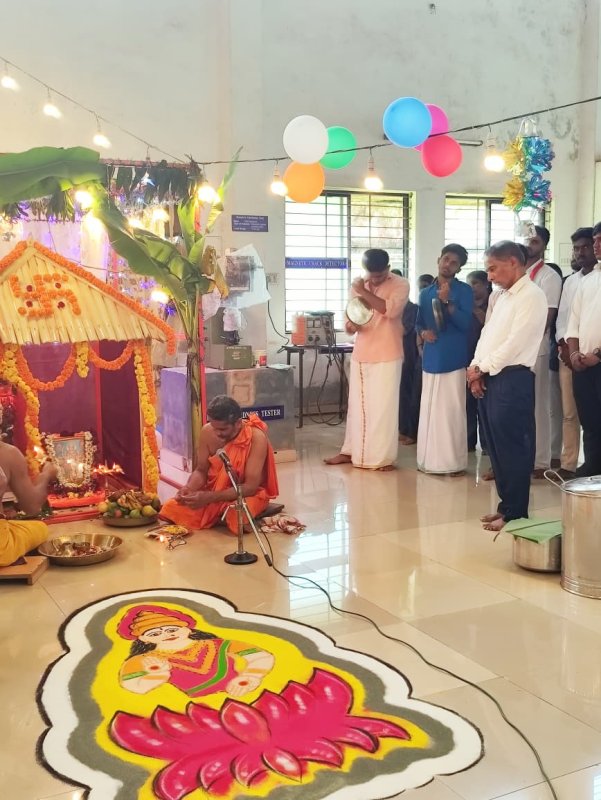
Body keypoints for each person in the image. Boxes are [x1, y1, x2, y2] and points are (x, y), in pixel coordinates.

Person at [467, 241, 547, 532]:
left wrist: (481, 368)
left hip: (513, 378)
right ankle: (506, 506)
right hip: (490, 374)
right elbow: (487, 336)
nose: (489, 276)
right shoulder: (500, 297)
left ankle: (516, 513)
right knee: (496, 449)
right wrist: (476, 367)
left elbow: (516, 343)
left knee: (513, 449)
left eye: (493, 268)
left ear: (513, 262)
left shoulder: (532, 296)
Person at [325, 248, 409, 470]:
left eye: (380, 275)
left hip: (387, 354)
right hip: (362, 352)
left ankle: (381, 458)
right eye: (372, 275)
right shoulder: (359, 285)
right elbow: (351, 321)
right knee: (357, 407)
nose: (376, 279)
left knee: (382, 409)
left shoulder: (400, 284)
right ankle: (350, 451)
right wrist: (351, 325)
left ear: (388, 270)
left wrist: (363, 291)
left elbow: (388, 310)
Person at [161, 396, 279, 532]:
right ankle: (218, 516)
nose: (217, 433)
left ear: (238, 423)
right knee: (170, 507)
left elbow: (250, 487)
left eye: (223, 430)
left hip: (246, 495)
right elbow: (201, 470)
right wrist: (189, 488)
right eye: (214, 427)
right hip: (214, 493)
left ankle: (219, 515)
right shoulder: (207, 431)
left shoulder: (256, 438)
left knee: (236, 514)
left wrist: (209, 498)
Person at [117, 604, 274, 698]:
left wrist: (251, 676)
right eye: (155, 634)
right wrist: (158, 675)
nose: (167, 635)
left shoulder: (217, 645)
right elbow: (134, 686)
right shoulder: (141, 660)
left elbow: (261, 656)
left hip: (243, 695)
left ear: (188, 629)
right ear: (144, 639)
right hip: (193, 709)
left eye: (172, 629)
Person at [416, 244, 473, 476]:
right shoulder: (425, 292)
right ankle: (428, 460)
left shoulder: (464, 291)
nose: (447, 265)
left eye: (454, 263)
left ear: (459, 269)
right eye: (446, 259)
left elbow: (466, 324)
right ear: (438, 259)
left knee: (450, 410)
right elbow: (419, 321)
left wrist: (449, 302)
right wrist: (422, 333)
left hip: (453, 356)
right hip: (431, 356)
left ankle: (452, 463)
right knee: (430, 409)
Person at [555, 231, 596, 477]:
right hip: (569, 354)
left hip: (594, 354)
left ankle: (592, 464)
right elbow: (564, 319)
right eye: (576, 248)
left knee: (593, 416)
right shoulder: (571, 281)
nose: (580, 252)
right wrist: (567, 350)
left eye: (586, 247)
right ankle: (569, 464)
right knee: (570, 413)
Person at [525, 226, 562, 478]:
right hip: (513, 351)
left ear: (544, 245)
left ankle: (541, 461)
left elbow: (547, 317)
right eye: (526, 239)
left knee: (539, 405)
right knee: (520, 407)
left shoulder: (548, 276)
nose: (529, 244)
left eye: (534, 241)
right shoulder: (516, 273)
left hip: (535, 348)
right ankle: (522, 457)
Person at [566, 221, 601, 476]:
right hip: (583, 365)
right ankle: (592, 470)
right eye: (596, 240)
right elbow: (573, 323)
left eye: (600, 241)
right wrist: (574, 353)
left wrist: (597, 356)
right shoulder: (588, 281)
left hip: (598, 362)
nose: (597, 246)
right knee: (589, 422)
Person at [0, 442, 57, 566]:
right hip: (1, 549)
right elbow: (32, 507)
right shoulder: (7, 453)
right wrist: (45, 475)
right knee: (40, 528)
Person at [398, 273, 434, 445]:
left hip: (411, 355)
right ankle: (402, 428)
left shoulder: (413, 309)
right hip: (405, 353)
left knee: (411, 394)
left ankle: (411, 430)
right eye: (422, 286)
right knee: (400, 395)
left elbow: (406, 331)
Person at [466, 270, 491, 453]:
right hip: (468, 357)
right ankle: (468, 442)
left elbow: (489, 326)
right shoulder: (464, 305)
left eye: (475, 283)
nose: (471, 287)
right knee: (468, 404)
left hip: (487, 359)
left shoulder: (494, 302)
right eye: (469, 284)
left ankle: (487, 445)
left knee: (485, 404)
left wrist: (475, 309)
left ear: (486, 284)